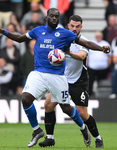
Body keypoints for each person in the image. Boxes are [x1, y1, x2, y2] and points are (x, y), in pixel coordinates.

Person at [0, 8, 110, 147]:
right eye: (52, 16)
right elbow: (20, 38)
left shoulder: (67, 35)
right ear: (47, 18)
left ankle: (93, 135)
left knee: (76, 111)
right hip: (47, 74)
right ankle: (46, 135)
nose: (54, 18)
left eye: (56, 16)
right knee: (39, 103)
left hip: (75, 80)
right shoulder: (38, 31)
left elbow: (84, 52)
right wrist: (3, 31)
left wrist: (100, 48)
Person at [39, 15, 104, 148]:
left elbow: (82, 56)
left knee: (83, 113)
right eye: (72, 26)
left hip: (78, 81)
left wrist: (68, 53)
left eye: (77, 26)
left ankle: (97, 138)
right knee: (48, 105)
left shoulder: (84, 41)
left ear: (81, 27)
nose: (74, 29)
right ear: (68, 25)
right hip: (61, 79)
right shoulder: (59, 39)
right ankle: (50, 138)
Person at [87, 31, 111, 97]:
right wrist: (87, 64)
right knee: (90, 82)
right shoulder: (91, 43)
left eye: (99, 36)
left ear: (102, 37)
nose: (98, 38)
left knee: (102, 83)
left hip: (103, 68)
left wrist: (108, 65)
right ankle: (90, 94)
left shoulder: (106, 44)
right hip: (92, 67)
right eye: (97, 36)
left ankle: (101, 95)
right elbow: (87, 55)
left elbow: (109, 56)